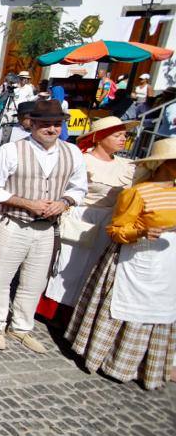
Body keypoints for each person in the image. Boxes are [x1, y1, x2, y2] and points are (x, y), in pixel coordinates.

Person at [65, 138, 176, 389]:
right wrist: (140, 232)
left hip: (166, 263)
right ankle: (109, 357)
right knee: (123, 305)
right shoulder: (136, 193)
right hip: (136, 257)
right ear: (165, 164)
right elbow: (116, 229)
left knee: (160, 310)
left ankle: (149, 364)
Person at [0, 99, 88, 353]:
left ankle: (21, 327)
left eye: (56, 125)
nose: (52, 129)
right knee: (1, 278)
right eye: (46, 125)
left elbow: (79, 187)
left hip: (47, 226)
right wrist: (26, 202)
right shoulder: (11, 150)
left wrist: (64, 202)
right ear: (32, 124)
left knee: (34, 281)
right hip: (13, 222)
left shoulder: (72, 152)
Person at [42, 117, 138, 313]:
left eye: (124, 135)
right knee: (69, 262)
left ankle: (77, 310)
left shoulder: (128, 165)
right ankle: (53, 308)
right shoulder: (83, 160)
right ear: (100, 138)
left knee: (91, 265)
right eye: (117, 135)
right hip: (80, 215)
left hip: (107, 219)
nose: (123, 139)